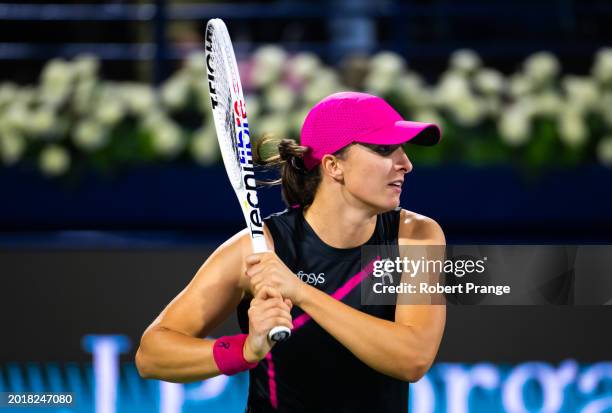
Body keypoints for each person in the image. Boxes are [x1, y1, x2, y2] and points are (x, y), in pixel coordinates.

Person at [135, 91, 447, 412]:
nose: (405, 164)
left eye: (403, 150)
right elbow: (152, 354)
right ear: (333, 166)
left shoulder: (417, 236)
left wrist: (300, 292)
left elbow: (413, 358)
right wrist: (246, 351)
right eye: (385, 150)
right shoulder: (260, 247)